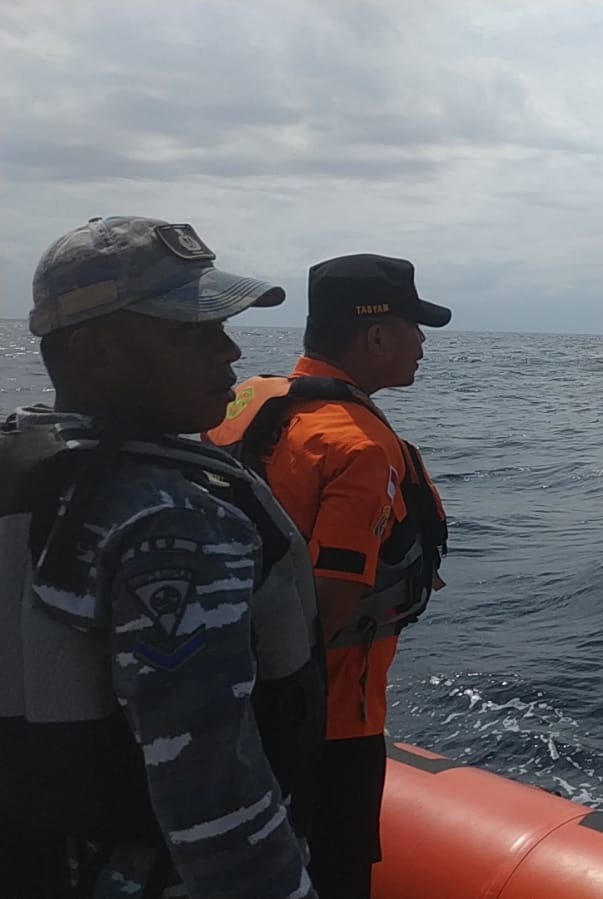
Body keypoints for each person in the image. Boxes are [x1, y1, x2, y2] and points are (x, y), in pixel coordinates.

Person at [0, 217, 323, 897]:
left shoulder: (22, 473)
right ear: (98, 349)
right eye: (194, 331)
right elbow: (214, 803)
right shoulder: (179, 522)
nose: (230, 352)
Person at [204, 253, 451, 898]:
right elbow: (326, 613)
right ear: (375, 336)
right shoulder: (361, 448)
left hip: (226, 706)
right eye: (414, 326)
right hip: (330, 727)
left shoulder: (241, 401)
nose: (423, 342)